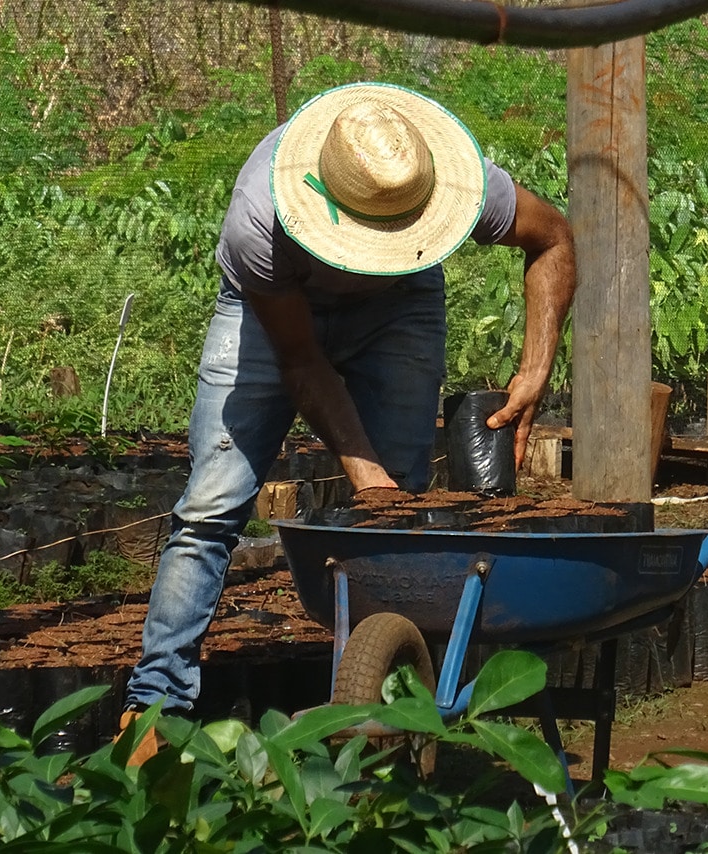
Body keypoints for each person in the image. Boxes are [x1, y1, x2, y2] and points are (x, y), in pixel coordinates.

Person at [117, 82, 576, 764]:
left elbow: (555, 239)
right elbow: (302, 363)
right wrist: (365, 474)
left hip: (400, 305)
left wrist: (537, 364)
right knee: (212, 506)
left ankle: (392, 699)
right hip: (270, 307)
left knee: (403, 505)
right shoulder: (260, 223)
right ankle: (152, 705)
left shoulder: (459, 181)